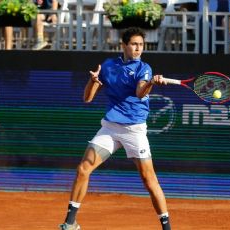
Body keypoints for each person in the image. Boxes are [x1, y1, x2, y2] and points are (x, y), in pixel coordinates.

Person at [59, 27, 172, 230]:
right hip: (110, 128)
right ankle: (70, 223)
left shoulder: (144, 68)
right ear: (124, 45)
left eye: (141, 45)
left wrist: (151, 84)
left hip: (134, 130)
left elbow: (139, 92)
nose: (138, 49)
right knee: (83, 168)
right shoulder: (109, 66)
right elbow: (87, 98)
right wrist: (92, 81)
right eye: (134, 44)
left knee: (149, 179)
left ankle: (166, 227)